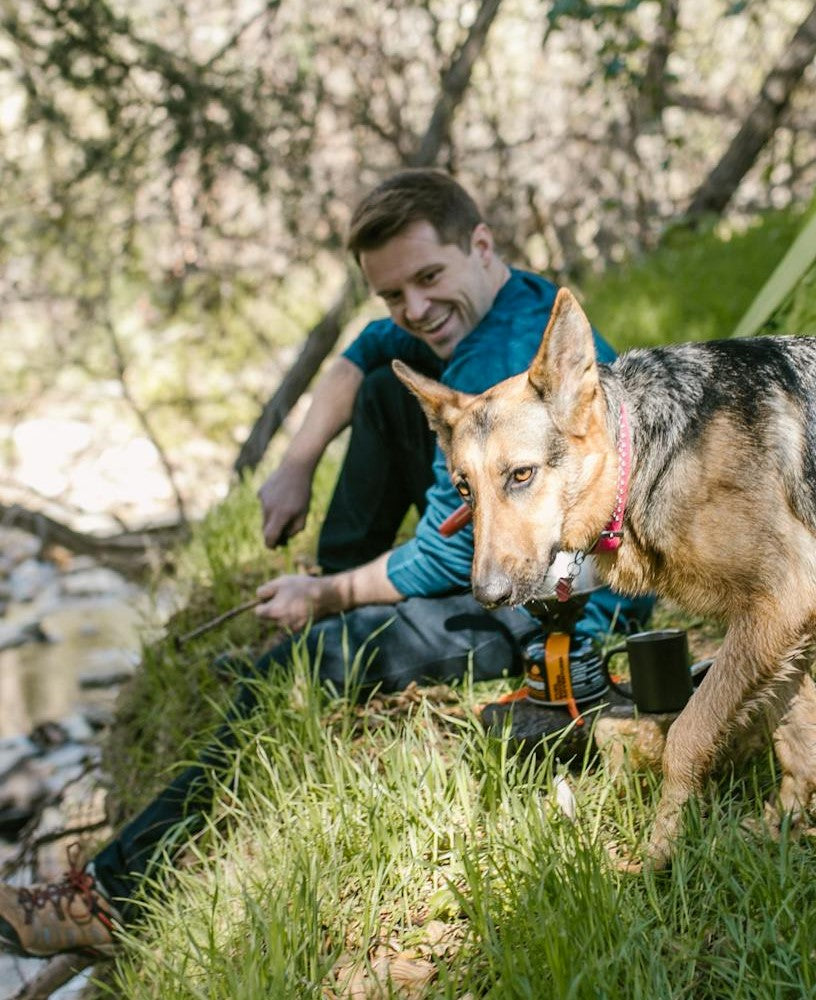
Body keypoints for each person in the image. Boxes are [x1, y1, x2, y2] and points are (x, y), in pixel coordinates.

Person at [0, 169, 653, 959]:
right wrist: (296, 464)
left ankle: (107, 903)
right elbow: (365, 350)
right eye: (393, 293)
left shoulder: (504, 365)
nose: (415, 308)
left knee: (298, 666)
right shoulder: (491, 304)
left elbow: (451, 554)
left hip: (560, 603)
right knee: (382, 389)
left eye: (429, 277)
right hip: (508, 560)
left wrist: (328, 596)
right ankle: (345, 614)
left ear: (481, 246)